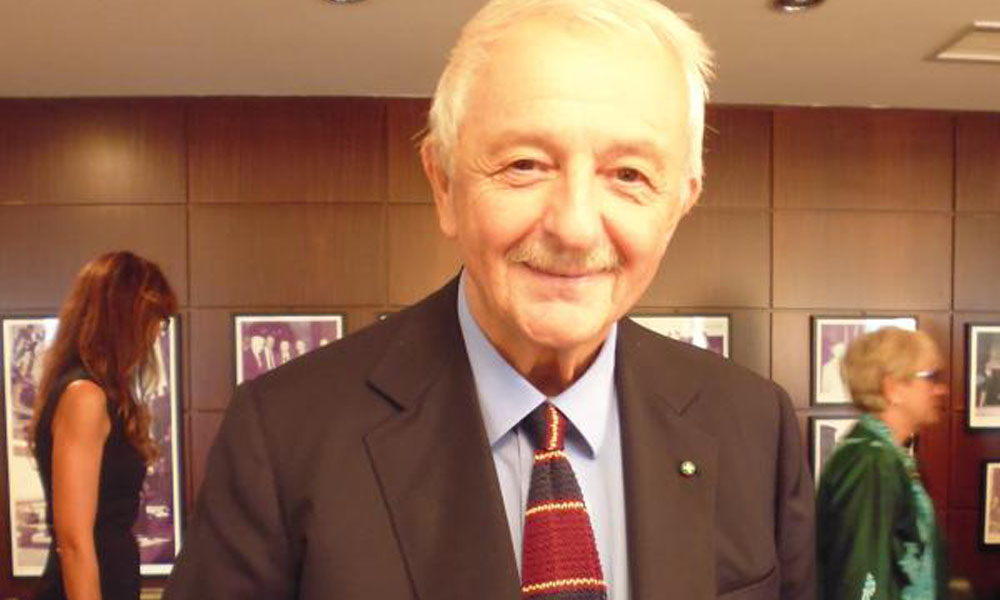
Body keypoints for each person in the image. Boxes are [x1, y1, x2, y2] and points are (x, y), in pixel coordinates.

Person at [164, 1, 816, 598]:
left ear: (679, 204)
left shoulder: (754, 426)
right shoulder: (285, 436)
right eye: (525, 165)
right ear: (443, 184)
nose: (574, 227)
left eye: (629, 175)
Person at [30, 251, 178, 600]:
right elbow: (74, 541)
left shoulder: (100, 394)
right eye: (154, 319)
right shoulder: (84, 396)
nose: (155, 334)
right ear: (124, 318)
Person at [816, 328, 948, 600]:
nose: (941, 389)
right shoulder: (870, 462)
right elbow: (861, 580)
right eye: (931, 378)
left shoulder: (881, 455)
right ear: (893, 388)